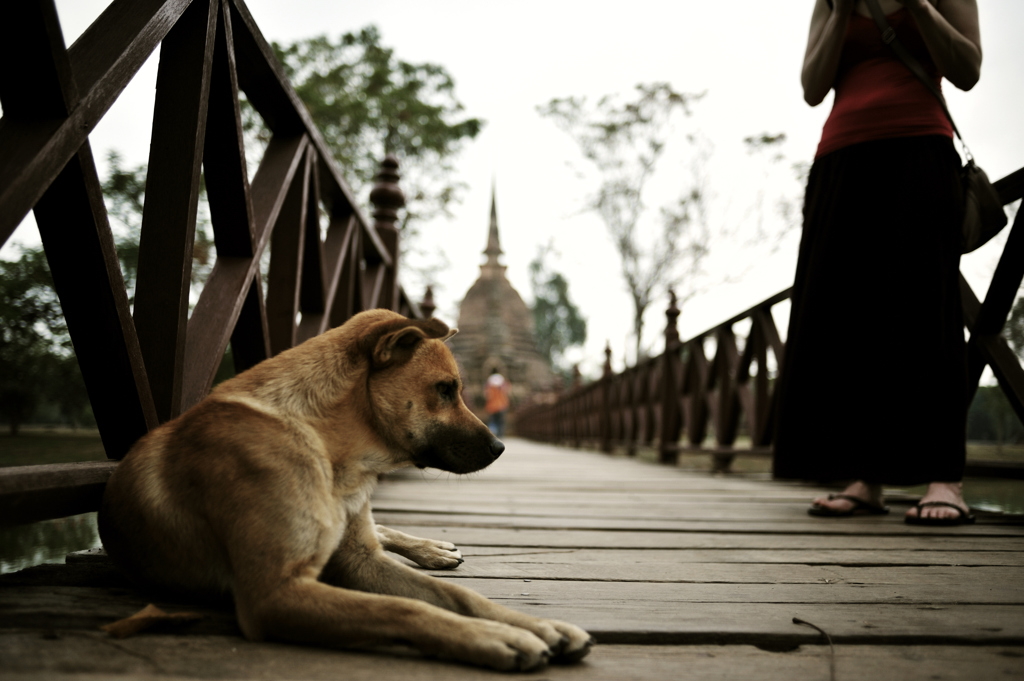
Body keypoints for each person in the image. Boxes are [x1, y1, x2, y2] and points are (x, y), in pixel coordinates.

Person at [772, 0, 982, 525]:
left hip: (920, 152)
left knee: (926, 315)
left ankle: (944, 479)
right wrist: (842, 14)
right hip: (841, 158)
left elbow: (968, 70)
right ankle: (864, 478)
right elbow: (812, 88)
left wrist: (919, 8)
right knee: (846, 321)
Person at [484, 369, 511, 437]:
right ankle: (500, 435)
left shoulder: (489, 385)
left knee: (493, 421)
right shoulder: (503, 385)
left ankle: (492, 435)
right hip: (501, 406)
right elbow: (508, 391)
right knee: (500, 422)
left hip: (493, 406)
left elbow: (487, 395)